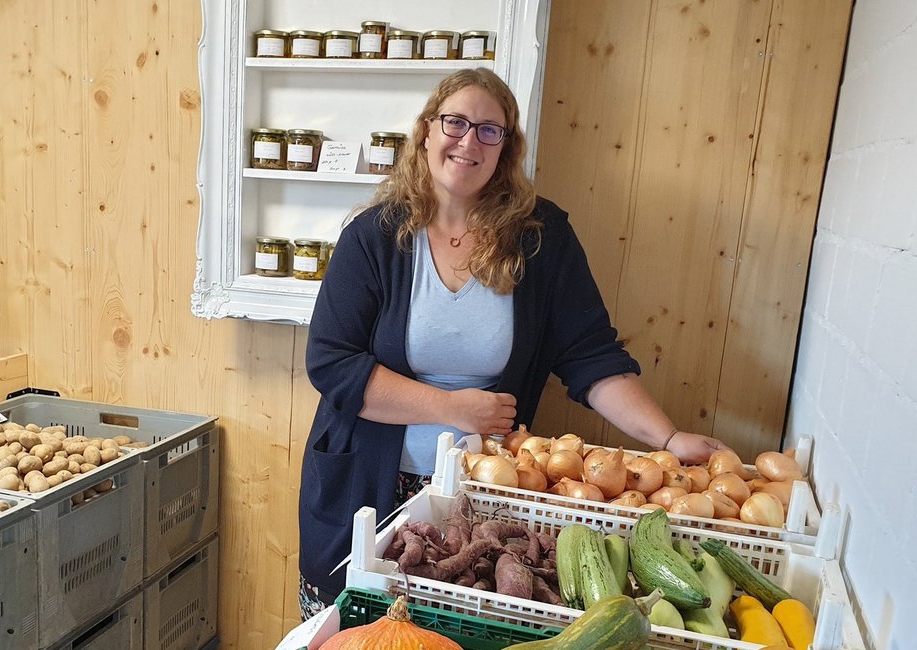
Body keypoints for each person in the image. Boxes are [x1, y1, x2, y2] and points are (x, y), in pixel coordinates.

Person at [297, 68, 727, 619]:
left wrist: (667, 437)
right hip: (367, 486)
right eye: (455, 123)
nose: (468, 141)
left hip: (484, 496)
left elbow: (591, 356)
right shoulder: (374, 237)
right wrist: (454, 408)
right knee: (350, 638)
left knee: (457, 646)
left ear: (506, 147)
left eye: (489, 130)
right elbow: (332, 362)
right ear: (427, 131)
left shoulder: (540, 239)